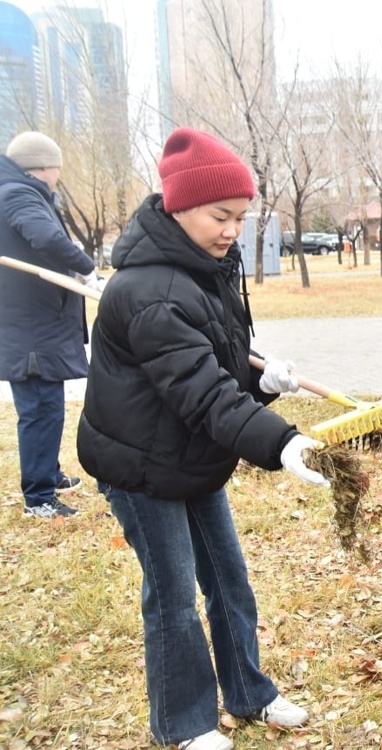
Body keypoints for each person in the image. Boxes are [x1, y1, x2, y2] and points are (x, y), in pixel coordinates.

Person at [76, 127, 329, 750]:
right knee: (173, 595)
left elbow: (222, 361)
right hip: (139, 463)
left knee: (228, 579)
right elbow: (203, 391)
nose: (232, 231)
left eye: (241, 218)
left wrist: (263, 379)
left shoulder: (204, 267)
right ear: (180, 205)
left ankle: (248, 693)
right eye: (222, 216)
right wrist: (280, 441)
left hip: (190, 453)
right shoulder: (150, 292)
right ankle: (185, 724)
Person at [0, 131, 104, 518]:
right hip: (30, 329)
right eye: (57, 168)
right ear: (44, 167)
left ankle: (49, 474)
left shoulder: (12, 191)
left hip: (33, 325)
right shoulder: (19, 194)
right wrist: (86, 267)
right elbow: (44, 237)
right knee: (41, 408)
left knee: (48, 405)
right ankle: (39, 498)